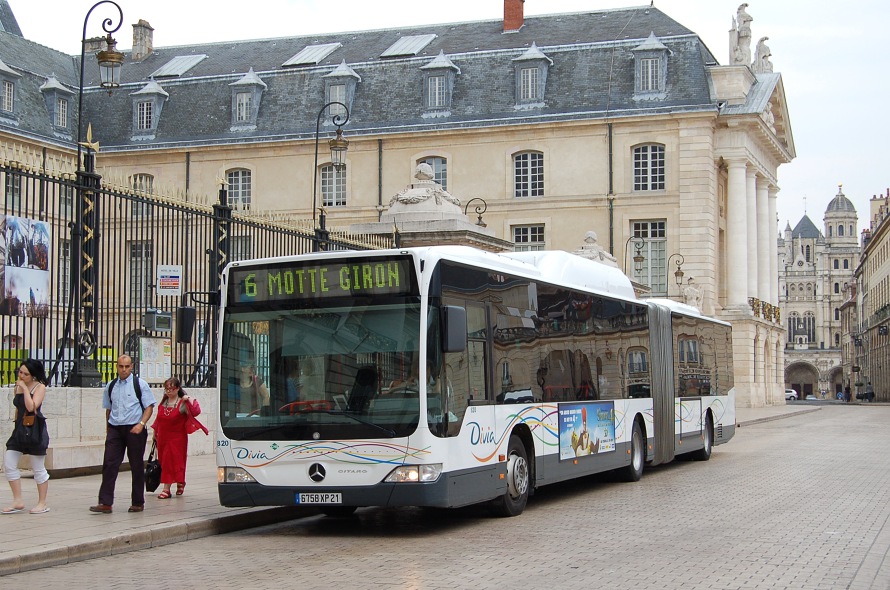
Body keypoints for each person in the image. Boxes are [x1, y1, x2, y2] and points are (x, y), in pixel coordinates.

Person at [90, 355, 156, 514]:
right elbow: (109, 408)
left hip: (134, 428)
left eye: (127, 366)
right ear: (117, 367)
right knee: (109, 464)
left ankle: (137, 502)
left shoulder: (139, 384)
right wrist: (108, 429)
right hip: (115, 428)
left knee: (136, 465)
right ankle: (105, 502)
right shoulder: (111, 386)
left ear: (132, 366)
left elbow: (149, 407)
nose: (124, 369)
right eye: (121, 366)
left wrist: (141, 424)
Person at [2, 359, 50, 515]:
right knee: (9, 463)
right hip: (20, 430)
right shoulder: (19, 387)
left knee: (38, 468)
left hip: (35, 429)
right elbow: (19, 408)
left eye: (25, 374)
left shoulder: (40, 387)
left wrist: (24, 389)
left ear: (33, 375)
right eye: (20, 372)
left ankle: (42, 502)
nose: (21, 376)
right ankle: (18, 500)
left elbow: (31, 407)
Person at [152, 377, 207, 499]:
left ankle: (167, 488)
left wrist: (190, 399)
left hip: (177, 438)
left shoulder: (182, 403)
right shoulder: (163, 403)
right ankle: (178, 481)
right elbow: (158, 419)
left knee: (175, 462)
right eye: (166, 389)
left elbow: (196, 411)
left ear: (177, 389)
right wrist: (155, 434)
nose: (168, 391)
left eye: (171, 388)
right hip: (163, 438)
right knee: (165, 462)